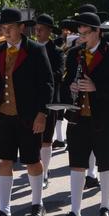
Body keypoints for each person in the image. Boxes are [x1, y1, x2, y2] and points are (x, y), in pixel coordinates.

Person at [56, 11, 109, 216]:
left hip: (105, 116)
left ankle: (105, 207)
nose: (82, 37)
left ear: (98, 32)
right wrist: (70, 87)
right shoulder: (74, 53)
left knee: (105, 163)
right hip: (79, 116)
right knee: (76, 164)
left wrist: (96, 87)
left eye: (86, 33)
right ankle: (75, 212)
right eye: (80, 33)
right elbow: (66, 80)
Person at [0, 9, 53, 216]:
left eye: (10, 27)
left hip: (28, 116)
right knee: (3, 161)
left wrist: (42, 113)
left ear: (21, 27)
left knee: (32, 160)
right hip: (3, 116)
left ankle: (37, 203)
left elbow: (47, 84)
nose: (7, 31)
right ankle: (4, 210)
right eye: (3, 28)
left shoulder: (35, 49)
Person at [34, 14, 65, 190]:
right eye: (36, 29)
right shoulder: (29, 48)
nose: (37, 32)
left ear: (49, 31)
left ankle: (44, 173)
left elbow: (59, 74)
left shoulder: (57, 51)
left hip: (50, 101)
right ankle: (37, 170)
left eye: (41, 29)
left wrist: (39, 78)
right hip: (31, 101)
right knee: (33, 140)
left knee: (46, 139)